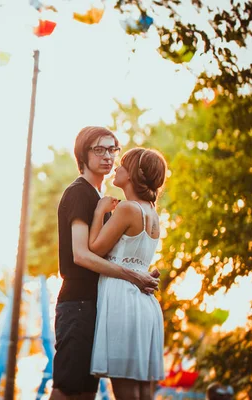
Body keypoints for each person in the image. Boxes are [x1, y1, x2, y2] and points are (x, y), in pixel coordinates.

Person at [51, 127, 160, 400]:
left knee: (86, 392)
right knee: (67, 390)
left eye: (112, 150)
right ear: (82, 154)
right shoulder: (79, 193)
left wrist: (138, 272)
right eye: (99, 150)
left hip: (99, 305)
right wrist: (133, 276)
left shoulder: (104, 200)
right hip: (78, 304)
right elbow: (82, 255)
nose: (108, 156)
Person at [88, 147, 168, 400]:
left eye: (122, 164)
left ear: (133, 174)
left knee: (125, 390)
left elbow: (95, 249)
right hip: (145, 304)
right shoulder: (151, 213)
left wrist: (99, 212)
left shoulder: (128, 209)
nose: (116, 167)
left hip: (123, 301)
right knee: (144, 389)